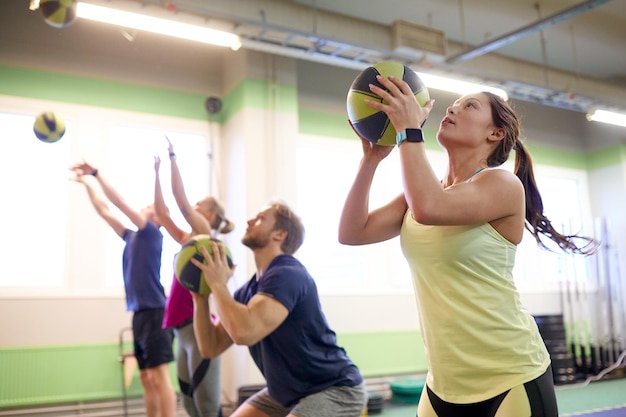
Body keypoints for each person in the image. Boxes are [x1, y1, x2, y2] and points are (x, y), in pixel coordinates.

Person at [338, 75, 597, 417]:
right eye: (453, 105)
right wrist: (371, 159)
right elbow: (352, 231)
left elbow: (430, 209)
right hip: (443, 385)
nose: (453, 109)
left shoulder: (501, 184)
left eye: (469, 106)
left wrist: (408, 132)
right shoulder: (424, 193)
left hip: (509, 377)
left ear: (496, 133)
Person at [190, 200, 368, 417]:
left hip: (334, 388)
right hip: (286, 392)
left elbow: (244, 332)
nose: (249, 221)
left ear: (280, 234)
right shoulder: (247, 291)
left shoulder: (287, 273)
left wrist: (218, 284)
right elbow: (211, 347)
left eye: (260, 218)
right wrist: (200, 299)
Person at [70, 161, 177, 417]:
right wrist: (87, 183)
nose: (146, 207)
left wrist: (96, 174)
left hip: (155, 312)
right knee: (147, 378)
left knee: (159, 376)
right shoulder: (131, 236)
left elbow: (119, 202)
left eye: (151, 206)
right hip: (140, 314)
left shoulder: (152, 233)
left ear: (157, 217)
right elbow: (105, 211)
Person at [155, 139, 234, 417]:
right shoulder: (188, 239)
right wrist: (156, 173)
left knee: (207, 405)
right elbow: (162, 214)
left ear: (210, 215)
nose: (193, 206)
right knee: (189, 403)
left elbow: (179, 200)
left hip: (195, 327)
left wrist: (173, 157)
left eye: (199, 204)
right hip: (180, 329)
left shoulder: (203, 233)